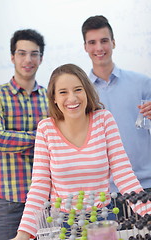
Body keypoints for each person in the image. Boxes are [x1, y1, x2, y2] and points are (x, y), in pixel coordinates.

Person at [12, 63, 151, 240]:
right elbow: (40, 186)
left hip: (102, 218)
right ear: (53, 97)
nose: (72, 98)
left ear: (86, 91)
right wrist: (23, 234)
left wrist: (148, 213)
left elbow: (124, 176)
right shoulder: (46, 129)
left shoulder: (104, 120)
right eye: (63, 92)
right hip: (63, 224)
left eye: (78, 89)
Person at [81, 15, 151, 215]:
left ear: (113, 42)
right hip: (103, 195)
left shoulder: (143, 83)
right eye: (92, 42)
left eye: (104, 40)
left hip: (144, 184)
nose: (99, 48)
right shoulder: (80, 93)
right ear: (85, 47)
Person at [0, 29, 48, 240]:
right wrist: (41, 137)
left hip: (45, 200)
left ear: (41, 58)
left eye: (34, 54)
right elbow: (0, 140)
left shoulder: (50, 97)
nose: (28, 59)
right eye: (22, 53)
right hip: (10, 200)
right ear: (12, 56)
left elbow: (60, 139)